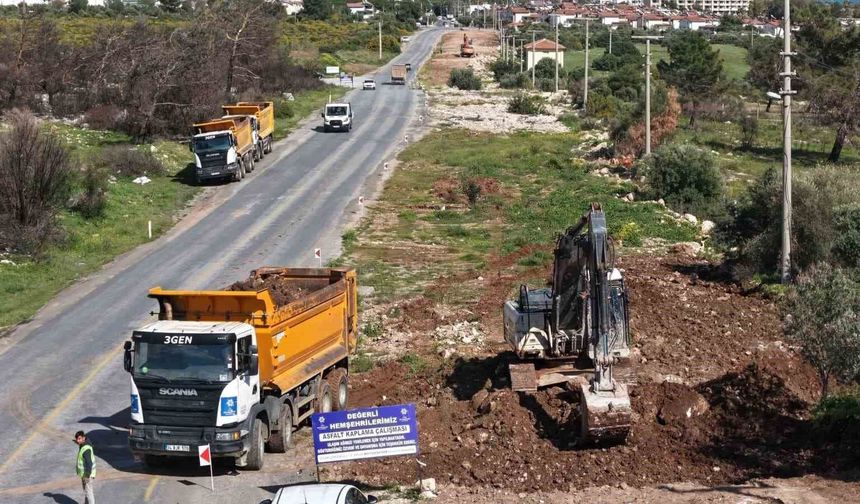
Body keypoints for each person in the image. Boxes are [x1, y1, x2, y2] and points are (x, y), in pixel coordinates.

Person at [74, 430, 96, 504]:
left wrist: (87, 475)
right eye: (77, 439)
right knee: (86, 491)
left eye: (79, 439)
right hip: (85, 474)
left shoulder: (86, 449)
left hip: (88, 475)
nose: (78, 440)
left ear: (83, 438)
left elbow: (89, 463)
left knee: (89, 492)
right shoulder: (84, 444)